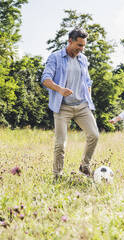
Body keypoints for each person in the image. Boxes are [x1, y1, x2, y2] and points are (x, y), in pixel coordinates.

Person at [41, 27, 99, 180]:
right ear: (70, 41)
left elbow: (88, 81)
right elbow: (45, 79)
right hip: (62, 107)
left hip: (81, 105)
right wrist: (59, 89)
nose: (81, 49)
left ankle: (84, 166)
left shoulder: (83, 59)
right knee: (60, 144)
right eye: (79, 45)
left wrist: (89, 97)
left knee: (94, 135)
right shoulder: (55, 57)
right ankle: (57, 175)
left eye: (83, 46)